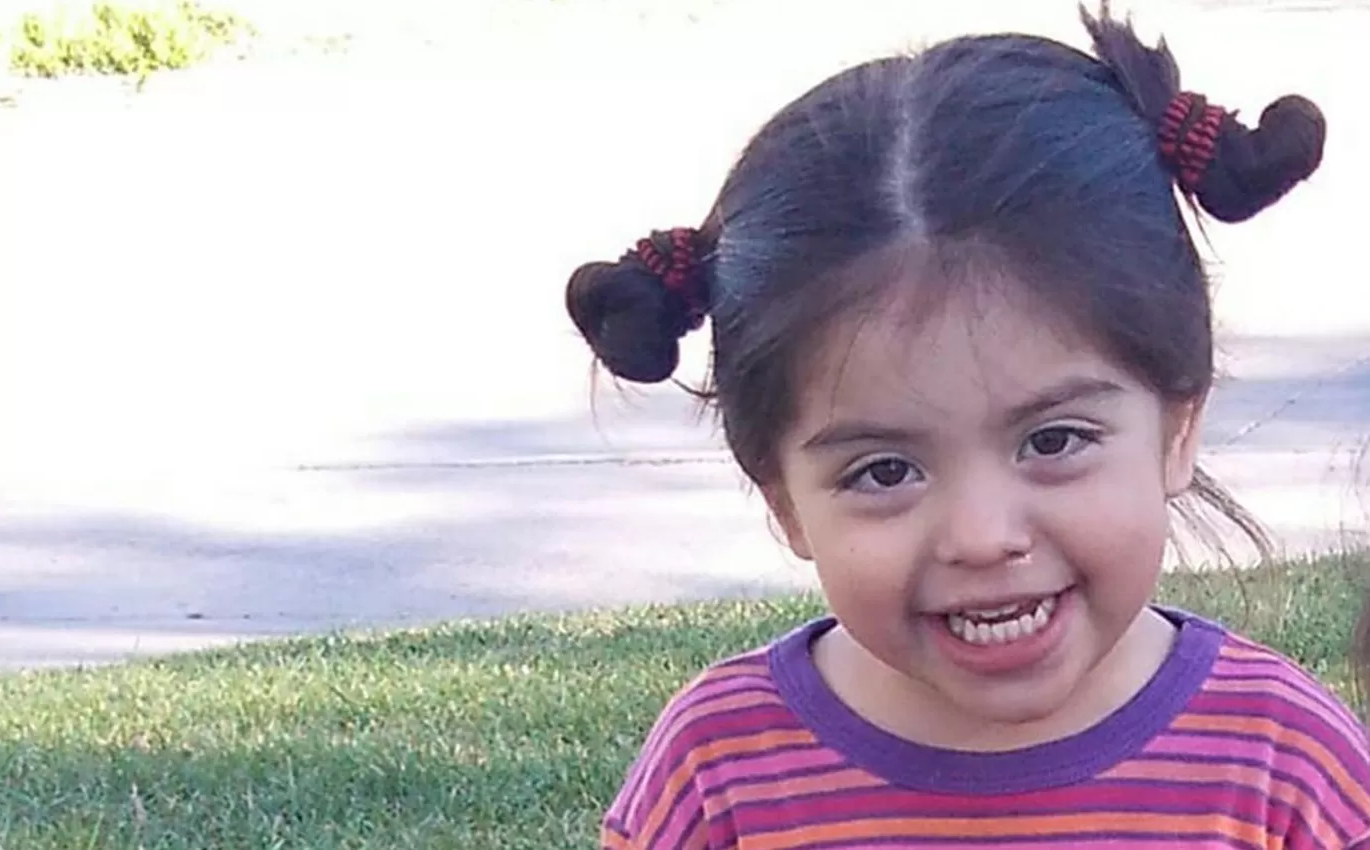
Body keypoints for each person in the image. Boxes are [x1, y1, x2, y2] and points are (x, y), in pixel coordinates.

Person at [565, 2, 1370, 847]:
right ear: (784, 500)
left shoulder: (1286, 763)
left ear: (1177, 426)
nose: (983, 539)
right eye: (884, 471)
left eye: (1053, 440)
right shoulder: (719, 770)